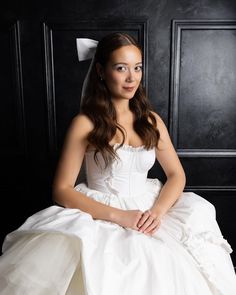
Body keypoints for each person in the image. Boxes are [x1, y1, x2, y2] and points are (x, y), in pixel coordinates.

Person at [0, 32, 236, 295]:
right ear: (101, 71)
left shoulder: (151, 121)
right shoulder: (85, 123)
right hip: (101, 211)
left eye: (137, 68)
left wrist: (156, 213)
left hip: (149, 208)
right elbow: (62, 189)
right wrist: (121, 216)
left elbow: (176, 175)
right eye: (120, 68)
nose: (131, 77)